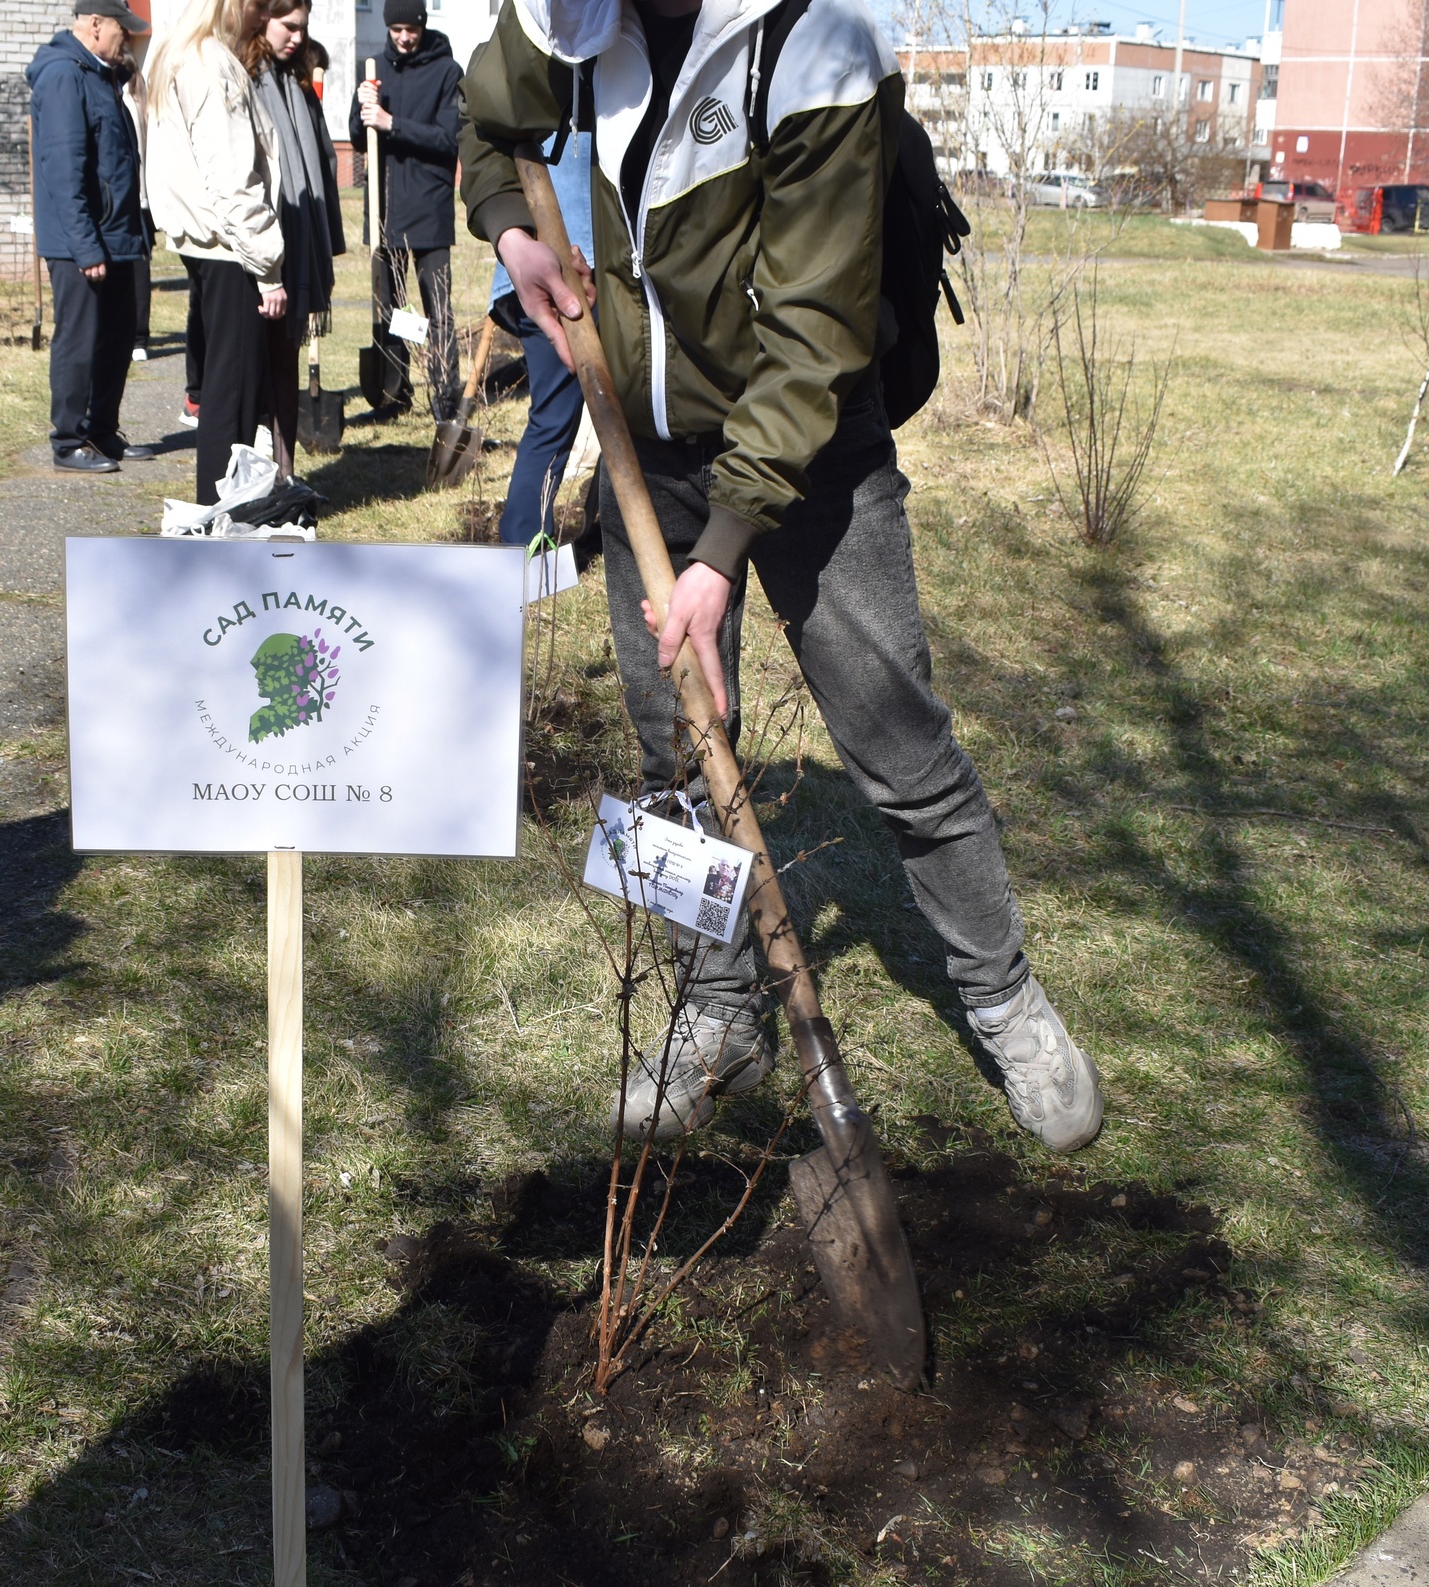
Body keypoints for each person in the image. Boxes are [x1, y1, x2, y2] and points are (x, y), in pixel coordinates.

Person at [462, 0, 1105, 1153]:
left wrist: (720, 558)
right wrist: (513, 232)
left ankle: (1004, 999)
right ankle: (717, 1013)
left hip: (812, 453)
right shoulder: (571, 15)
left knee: (897, 741)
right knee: (674, 753)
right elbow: (488, 122)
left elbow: (814, 336)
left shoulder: (819, 45)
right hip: (642, 448)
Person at [144, 0, 283, 502]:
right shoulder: (209, 62)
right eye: (259, 7)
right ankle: (219, 515)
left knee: (227, 386)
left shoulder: (175, 53)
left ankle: (222, 510)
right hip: (229, 246)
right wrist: (267, 265)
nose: (261, 19)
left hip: (206, 242)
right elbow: (231, 177)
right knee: (234, 391)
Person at [29, 0, 157, 475]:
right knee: (80, 340)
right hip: (81, 243)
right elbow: (64, 171)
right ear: (95, 24)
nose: (128, 38)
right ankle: (68, 440)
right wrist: (85, 245)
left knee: (117, 338)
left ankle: (102, 431)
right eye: (124, 29)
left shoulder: (101, 76)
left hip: (117, 237)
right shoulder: (64, 76)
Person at [350, 0, 461, 421]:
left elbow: (449, 139)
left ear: (422, 26)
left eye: (410, 29)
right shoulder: (373, 69)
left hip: (429, 210)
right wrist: (363, 114)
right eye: (396, 29)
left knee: (439, 310)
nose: (403, 37)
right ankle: (396, 394)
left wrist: (391, 123)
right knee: (394, 310)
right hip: (384, 211)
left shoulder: (447, 72)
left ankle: (446, 398)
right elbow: (358, 138)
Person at [252, 0, 344, 475]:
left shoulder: (299, 84)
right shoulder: (245, 78)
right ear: (261, 18)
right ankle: (251, 480)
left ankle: (286, 476)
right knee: (254, 372)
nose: (296, 38)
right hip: (254, 249)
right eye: (288, 27)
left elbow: (323, 162)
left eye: (302, 30)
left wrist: (325, 236)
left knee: (285, 365)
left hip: (296, 246)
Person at [488, 127, 587, 548]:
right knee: (559, 415)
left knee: (550, 416)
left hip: (526, 266)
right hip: (575, 268)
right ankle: (522, 545)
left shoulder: (526, 99)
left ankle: (521, 542)